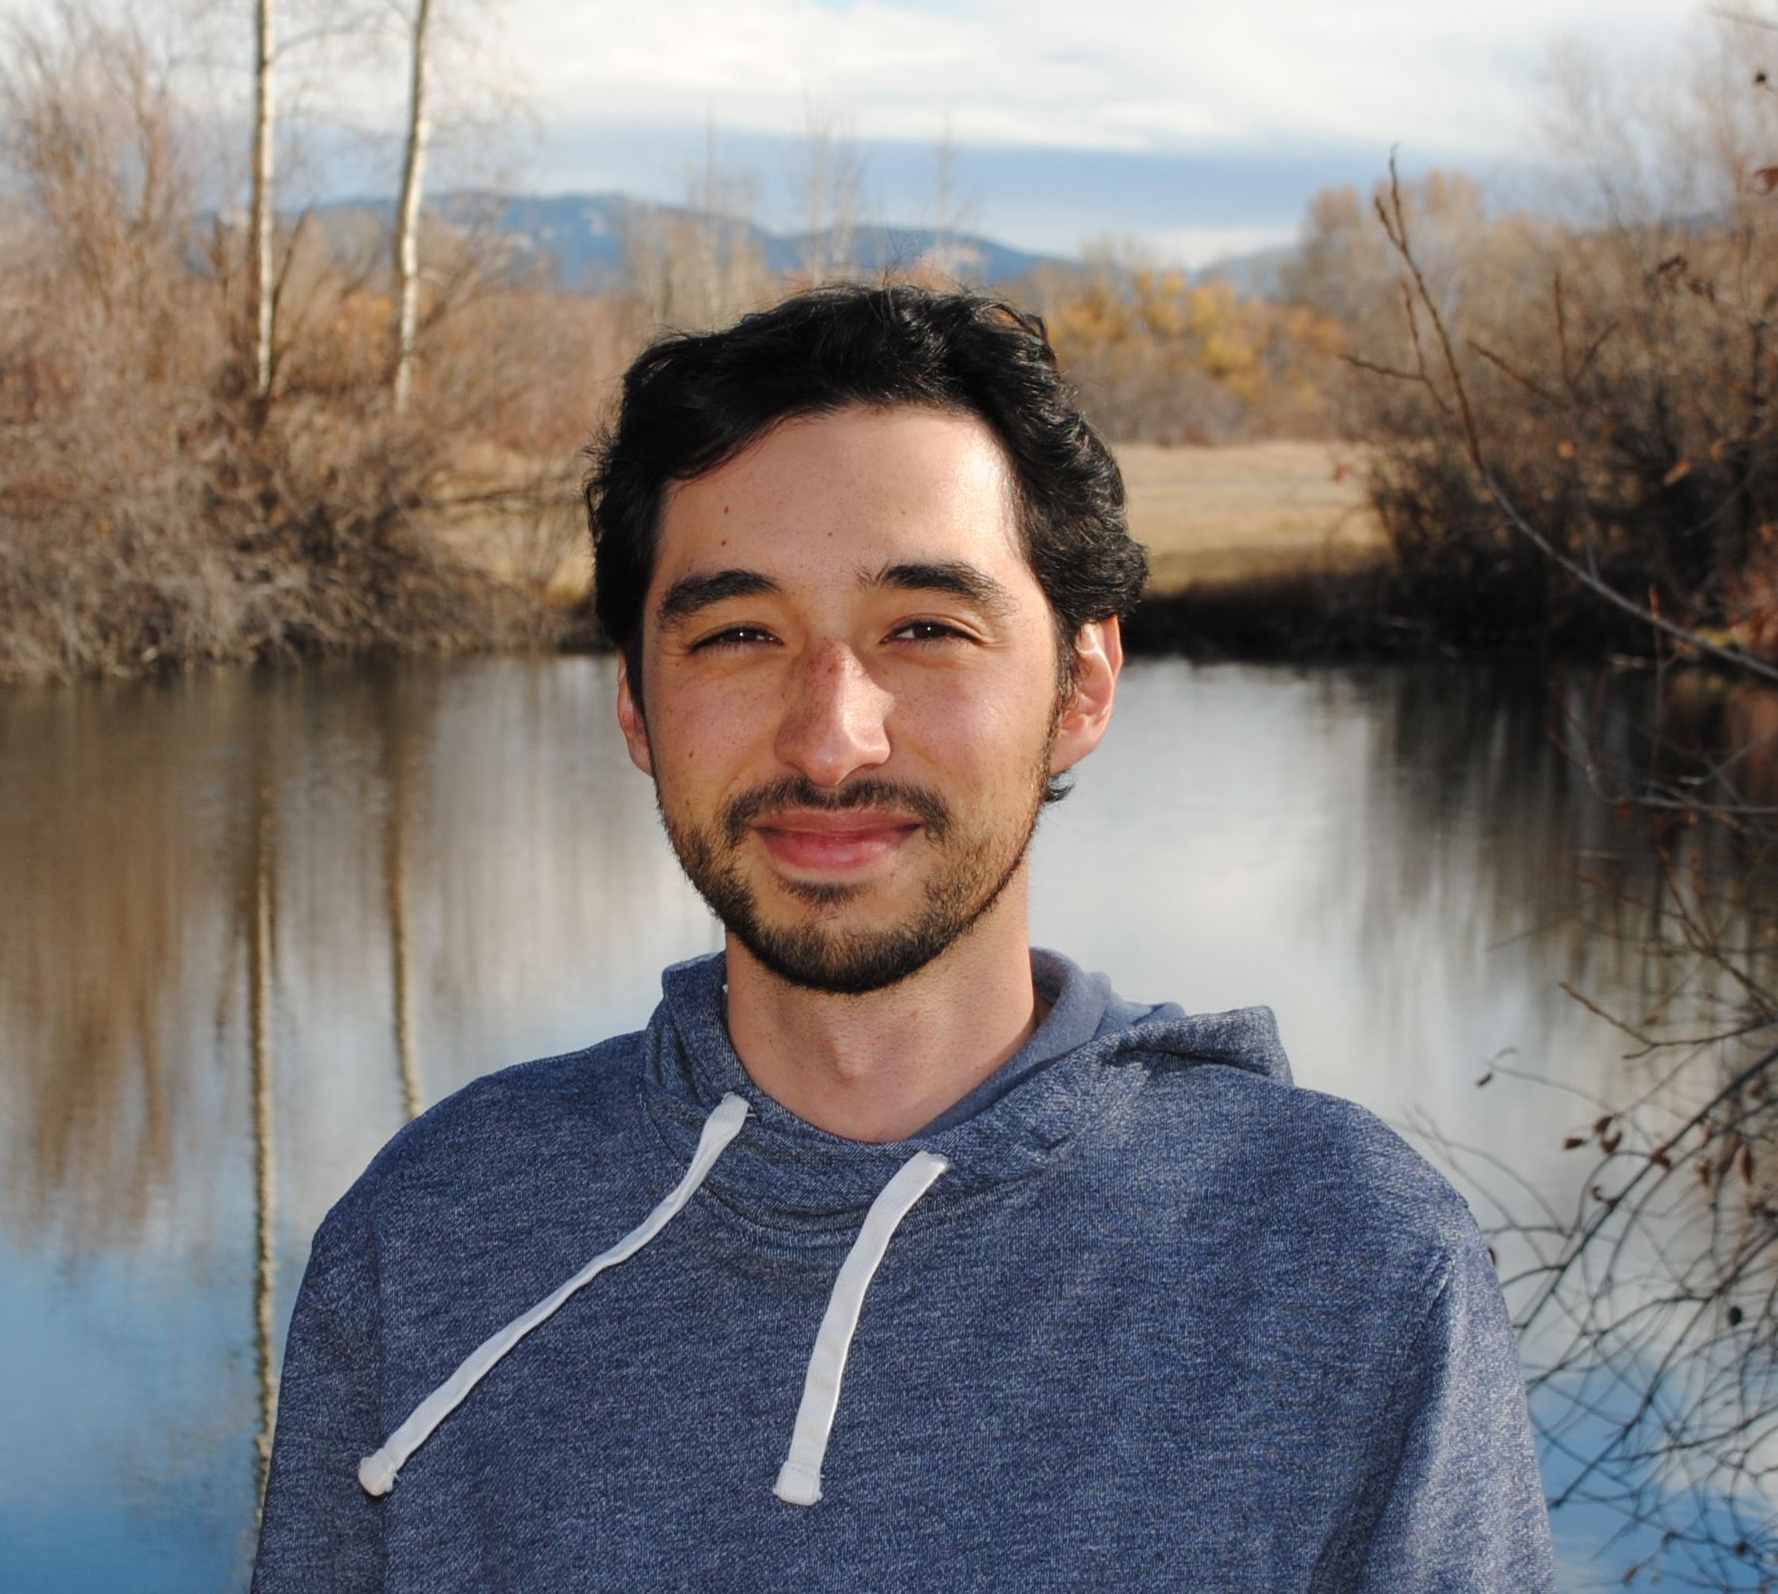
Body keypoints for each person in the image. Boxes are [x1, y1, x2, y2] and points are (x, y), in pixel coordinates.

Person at [251, 284, 1555, 1592]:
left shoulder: (1348, 1266)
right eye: (738, 634)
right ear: (637, 707)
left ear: (1083, 685)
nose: (832, 738)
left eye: (926, 630)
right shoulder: (433, 1236)